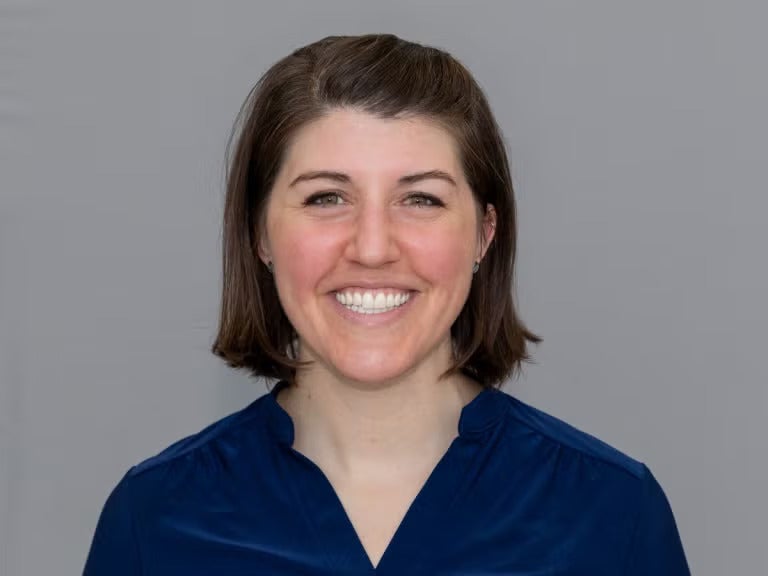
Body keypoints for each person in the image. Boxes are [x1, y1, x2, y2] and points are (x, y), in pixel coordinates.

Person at [83, 34, 690, 574]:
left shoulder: (612, 514)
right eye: (325, 198)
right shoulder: (154, 520)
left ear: (483, 232)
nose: (372, 248)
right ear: (260, 235)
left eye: (421, 199)